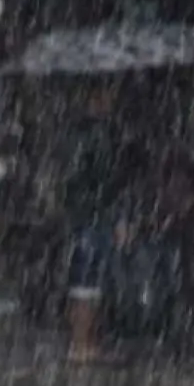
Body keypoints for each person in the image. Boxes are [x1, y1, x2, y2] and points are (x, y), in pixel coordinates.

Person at [58, 80, 141, 364]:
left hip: (91, 215)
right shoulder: (92, 134)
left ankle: (86, 342)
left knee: (91, 280)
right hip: (91, 216)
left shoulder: (93, 131)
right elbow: (100, 178)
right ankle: (81, 343)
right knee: (86, 280)